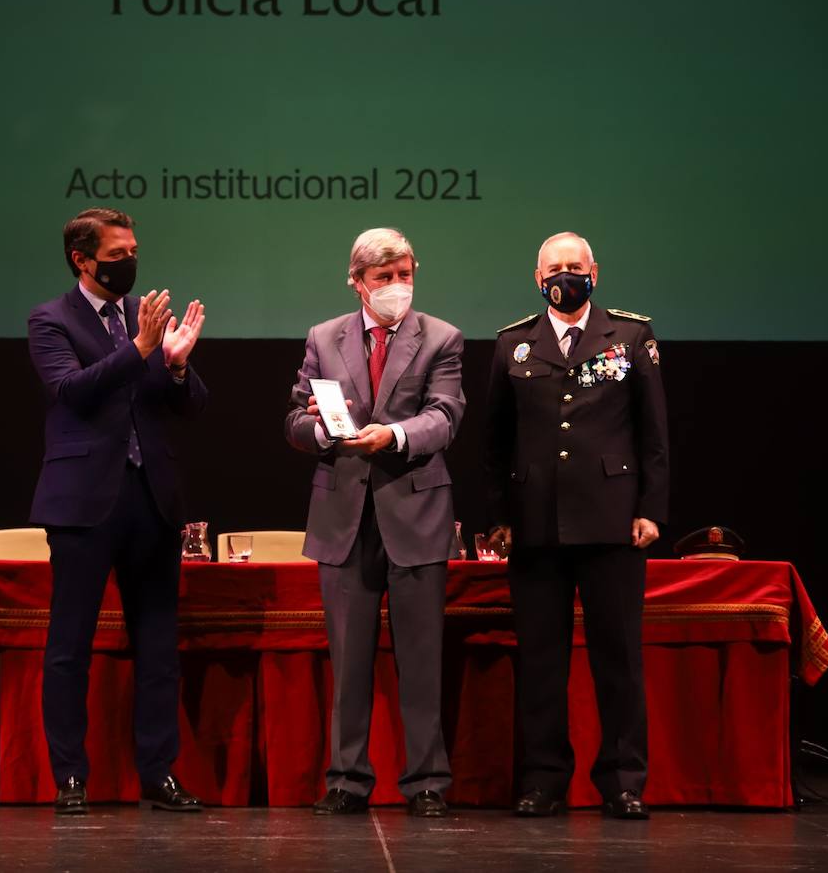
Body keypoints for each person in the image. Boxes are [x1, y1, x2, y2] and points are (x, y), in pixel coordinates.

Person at [27, 207, 208, 814]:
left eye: (133, 250)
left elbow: (191, 406)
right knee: (70, 645)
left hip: (151, 498)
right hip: (83, 501)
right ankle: (70, 775)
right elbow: (71, 392)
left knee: (158, 647)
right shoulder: (51, 320)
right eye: (116, 253)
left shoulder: (145, 317)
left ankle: (159, 773)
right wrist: (141, 349)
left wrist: (177, 364)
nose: (129, 261)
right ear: (82, 259)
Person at [484, 231, 669, 820]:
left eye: (575, 266)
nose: (566, 275)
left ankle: (622, 781)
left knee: (618, 659)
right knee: (541, 661)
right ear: (538, 279)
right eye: (555, 268)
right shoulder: (513, 344)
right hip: (535, 524)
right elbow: (495, 441)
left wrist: (650, 509)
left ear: (596, 272)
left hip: (614, 523)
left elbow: (654, 435)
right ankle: (543, 779)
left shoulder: (632, 336)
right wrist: (499, 518)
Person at [284, 227, 465, 817]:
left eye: (405, 276)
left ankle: (427, 782)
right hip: (344, 516)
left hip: (415, 512)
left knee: (420, 658)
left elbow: (444, 417)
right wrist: (316, 428)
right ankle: (346, 779)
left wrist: (394, 436)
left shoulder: (441, 338)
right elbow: (295, 418)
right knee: (349, 659)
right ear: (357, 282)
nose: (396, 288)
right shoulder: (323, 337)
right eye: (383, 278)